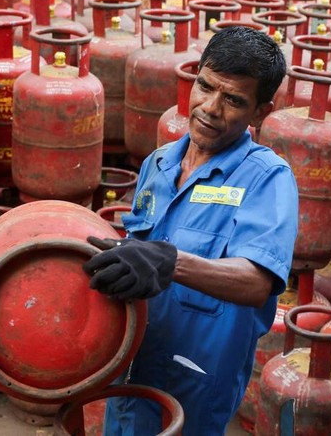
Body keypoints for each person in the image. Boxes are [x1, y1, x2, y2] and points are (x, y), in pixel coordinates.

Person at [82, 26, 299, 435]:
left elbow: (257, 281)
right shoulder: (160, 162)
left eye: (233, 100)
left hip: (196, 377)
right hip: (132, 365)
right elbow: (138, 253)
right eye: (206, 86)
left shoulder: (268, 179)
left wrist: (171, 262)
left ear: (259, 113)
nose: (210, 108)